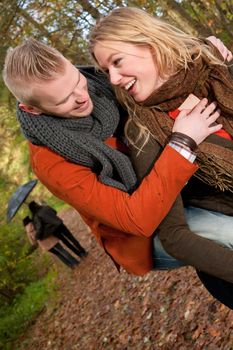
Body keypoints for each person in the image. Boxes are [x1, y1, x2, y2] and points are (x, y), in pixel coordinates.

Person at [3, 39, 233, 308]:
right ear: (32, 108)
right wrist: (181, 143)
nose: (81, 96)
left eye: (77, 80)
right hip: (141, 234)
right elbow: (137, 220)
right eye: (64, 99)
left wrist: (201, 47)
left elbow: (153, 66)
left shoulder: (101, 81)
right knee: (224, 231)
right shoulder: (50, 162)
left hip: (180, 192)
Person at [90, 7, 233, 270]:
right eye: (106, 70)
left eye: (117, 61)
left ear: (150, 43)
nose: (113, 78)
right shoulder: (144, 132)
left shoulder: (216, 70)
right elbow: (175, 237)